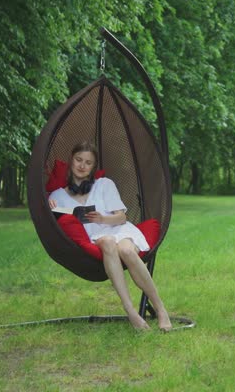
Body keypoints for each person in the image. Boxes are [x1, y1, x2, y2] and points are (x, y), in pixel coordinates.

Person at [48, 141, 172, 331]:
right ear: (71, 161)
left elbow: (121, 216)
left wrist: (103, 218)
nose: (82, 165)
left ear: (93, 167)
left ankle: (161, 309)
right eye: (78, 160)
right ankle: (131, 312)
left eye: (88, 162)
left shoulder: (104, 184)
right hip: (98, 238)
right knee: (106, 241)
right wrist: (51, 209)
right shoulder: (57, 196)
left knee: (126, 250)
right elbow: (53, 218)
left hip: (119, 229)